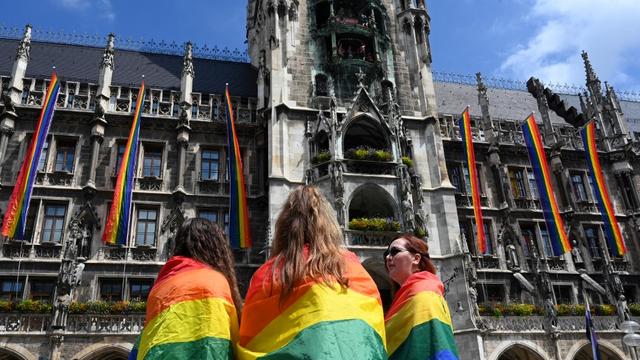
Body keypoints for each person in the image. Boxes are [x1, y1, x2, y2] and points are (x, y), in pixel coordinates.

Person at [237, 185, 386, 359]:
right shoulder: (356, 271)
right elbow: (372, 338)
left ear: (284, 228)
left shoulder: (268, 274)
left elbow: (252, 338)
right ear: (329, 225)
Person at [129, 218, 241, 360]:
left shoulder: (160, 286)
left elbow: (145, 342)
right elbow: (222, 345)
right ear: (215, 246)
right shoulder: (214, 281)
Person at [384, 234, 459, 360]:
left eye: (394, 252)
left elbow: (435, 343)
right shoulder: (404, 295)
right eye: (386, 253)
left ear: (416, 258)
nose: (388, 257)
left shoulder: (424, 291)